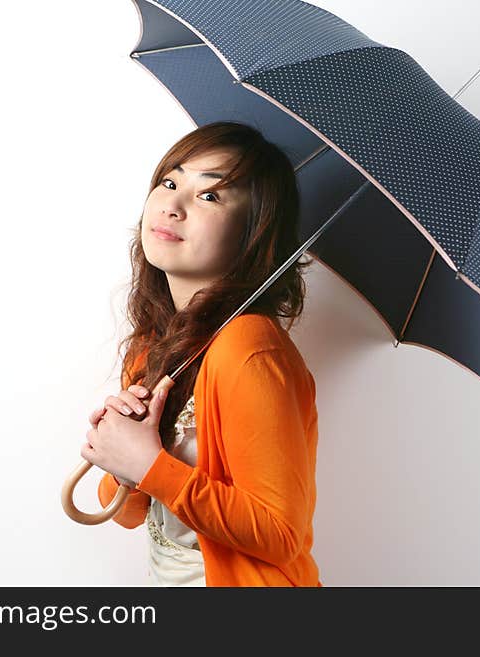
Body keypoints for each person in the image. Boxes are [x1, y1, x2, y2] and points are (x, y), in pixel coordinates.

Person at [81, 121, 321, 587]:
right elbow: (128, 516)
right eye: (171, 182)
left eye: (209, 196)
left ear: (254, 232)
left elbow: (281, 533)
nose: (172, 205)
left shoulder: (249, 348)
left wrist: (148, 464)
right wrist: (121, 459)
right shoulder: (154, 344)